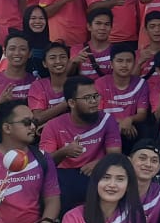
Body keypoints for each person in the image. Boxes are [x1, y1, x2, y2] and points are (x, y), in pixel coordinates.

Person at [40, 76, 123, 211]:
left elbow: (115, 154)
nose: (94, 102)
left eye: (95, 96)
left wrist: (99, 163)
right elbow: (44, 163)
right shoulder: (53, 125)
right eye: (87, 98)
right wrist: (64, 152)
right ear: (72, 103)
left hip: (96, 174)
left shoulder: (107, 120)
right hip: (65, 178)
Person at [94, 44, 150, 150]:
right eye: (119, 61)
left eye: (129, 61)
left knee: (144, 129)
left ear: (134, 63)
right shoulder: (100, 83)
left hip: (131, 129)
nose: (124, 65)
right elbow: (98, 114)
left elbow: (142, 114)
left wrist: (129, 119)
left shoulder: (141, 84)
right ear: (111, 64)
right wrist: (121, 122)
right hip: (107, 126)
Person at [0, 32, 34, 107]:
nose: (17, 53)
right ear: (4, 52)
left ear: (30, 53)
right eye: (12, 49)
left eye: (22, 49)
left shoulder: (36, 83)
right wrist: (0, 102)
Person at [29, 42, 70, 125]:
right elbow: (37, 118)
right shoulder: (38, 86)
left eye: (62, 57)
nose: (58, 61)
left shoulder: (78, 84)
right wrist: (66, 103)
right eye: (52, 58)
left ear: (69, 61)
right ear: (44, 63)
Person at [70, 8, 114, 79]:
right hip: (84, 86)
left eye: (107, 24)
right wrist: (74, 62)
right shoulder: (77, 49)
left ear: (111, 27)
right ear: (89, 26)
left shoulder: (116, 50)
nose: (102, 28)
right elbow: (66, 75)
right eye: (98, 23)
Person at [136, 11, 160, 77]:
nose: (157, 30)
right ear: (145, 30)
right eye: (152, 27)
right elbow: (130, 81)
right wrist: (139, 63)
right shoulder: (136, 55)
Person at [20, 5, 51, 75]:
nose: (38, 21)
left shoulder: (51, 47)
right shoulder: (19, 45)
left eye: (41, 18)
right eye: (33, 18)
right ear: (26, 20)